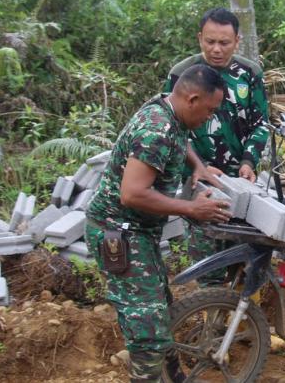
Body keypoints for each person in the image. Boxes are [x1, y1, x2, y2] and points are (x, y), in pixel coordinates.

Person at [85, 64, 231, 382]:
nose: (210, 118)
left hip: (138, 232)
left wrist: (199, 165)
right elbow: (132, 193)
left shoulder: (170, 109)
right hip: (119, 232)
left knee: (160, 310)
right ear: (192, 99)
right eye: (209, 110)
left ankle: (174, 378)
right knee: (148, 329)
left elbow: (181, 139)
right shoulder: (156, 130)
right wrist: (191, 209)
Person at [164, 7, 270, 283]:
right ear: (200, 38)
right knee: (206, 258)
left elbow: (261, 124)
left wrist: (248, 162)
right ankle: (211, 317)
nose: (216, 49)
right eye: (209, 41)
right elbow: (171, 127)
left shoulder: (250, 73)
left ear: (237, 40)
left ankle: (243, 318)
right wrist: (199, 166)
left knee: (245, 257)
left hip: (241, 181)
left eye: (224, 43)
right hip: (200, 182)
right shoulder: (181, 74)